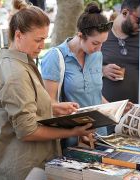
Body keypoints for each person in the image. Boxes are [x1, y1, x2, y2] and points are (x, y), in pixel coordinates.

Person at [0, 0, 95, 179]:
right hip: (24, 170)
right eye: (38, 40)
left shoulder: (23, 61)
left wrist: (53, 108)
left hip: (34, 164)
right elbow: (27, 130)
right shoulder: (15, 72)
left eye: (44, 39)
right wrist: (72, 132)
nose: (42, 45)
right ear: (19, 35)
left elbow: (24, 106)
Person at [41, 2, 112, 149]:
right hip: (73, 139)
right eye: (95, 43)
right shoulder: (55, 57)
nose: (99, 49)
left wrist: (116, 108)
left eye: (102, 43)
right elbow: (48, 105)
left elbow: (95, 94)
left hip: (100, 135)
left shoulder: (96, 55)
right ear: (80, 35)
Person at [101, 0, 140, 104]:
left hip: (138, 114)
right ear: (125, 12)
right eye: (139, 20)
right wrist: (102, 71)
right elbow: (80, 69)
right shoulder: (99, 34)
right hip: (105, 112)